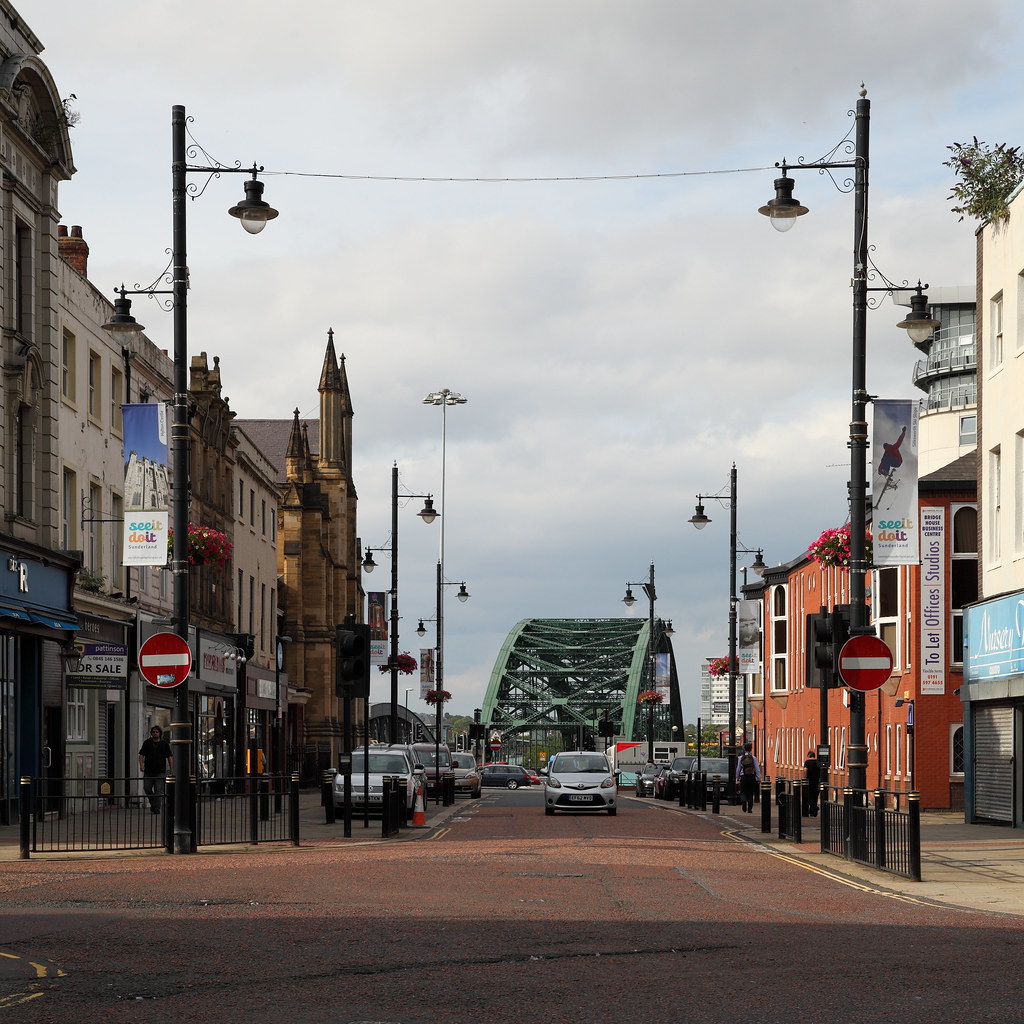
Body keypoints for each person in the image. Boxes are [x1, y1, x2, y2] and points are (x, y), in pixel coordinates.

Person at [139, 725, 173, 814]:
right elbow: (141, 755)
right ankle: (154, 803)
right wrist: (141, 765)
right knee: (147, 788)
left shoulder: (164, 744)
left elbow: (169, 757)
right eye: (153, 732)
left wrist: (171, 769)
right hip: (148, 770)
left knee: (158, 790)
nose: (155, 733)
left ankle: (156, 808)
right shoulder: (147, 743)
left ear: (160, 733)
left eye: (157, 732)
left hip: (160, 771)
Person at [736, 742, 761, 813]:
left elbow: (738, 769)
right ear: (751, 749)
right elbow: (757, 769)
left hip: (743, 777)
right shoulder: (753, 758)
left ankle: (743, 801)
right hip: (751, 777)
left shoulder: (741, 758)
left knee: (743, 792)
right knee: (750, 793)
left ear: (744, 749)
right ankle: (750, 809)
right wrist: (759, 778)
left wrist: (737, 777)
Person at [804, 749, 821, 817]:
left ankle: (814, 808)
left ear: (808, 756)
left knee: (809, 796)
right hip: (817, 782)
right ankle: (813, 812)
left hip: (809, 782)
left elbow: (805, 770)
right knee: (815, 796)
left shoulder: (807, 762)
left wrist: (805, 778)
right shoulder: (818, 762)